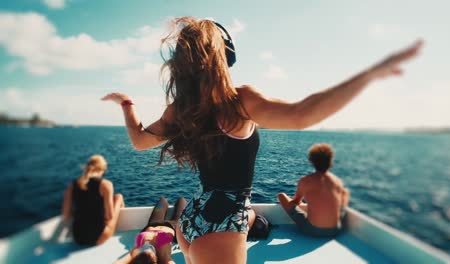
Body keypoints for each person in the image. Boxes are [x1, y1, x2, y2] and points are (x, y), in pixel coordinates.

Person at [102, 16, 422, 264]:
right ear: (224, 57)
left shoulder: (181, 110)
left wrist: (128, 106)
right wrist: (367, 76)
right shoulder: (239, 101)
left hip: (196, 219)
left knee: (253, 219)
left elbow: (140, 141)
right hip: (226, 222)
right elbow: (301, 115)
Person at [277, 143, 349, 237]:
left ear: (311, 161)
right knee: (345, 192)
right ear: (330, 161)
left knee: (281, 196)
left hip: (312, 230)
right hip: (335, 230)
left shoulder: (306, 181)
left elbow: (295, 202)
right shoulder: (337, 181)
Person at [62, 154, 125, 245]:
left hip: (77, 237)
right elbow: (109, 216)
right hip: (97, 238)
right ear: (103, 169)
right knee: (118, 197)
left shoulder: (72, 186)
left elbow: (66, 215)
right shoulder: (105, 184)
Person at [116, 197, 187, 264]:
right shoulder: (163, 256)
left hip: (153, 224)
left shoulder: (135, 253)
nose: (148, 251)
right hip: (173, 226)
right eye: (151, 258)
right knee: (182, 200)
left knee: (163, 200)